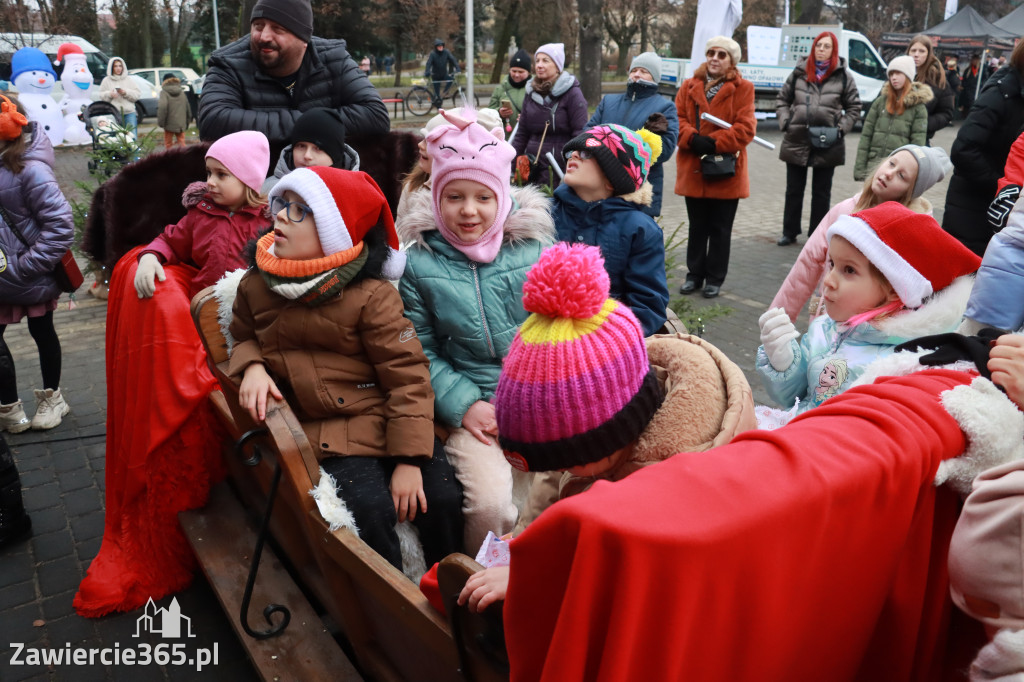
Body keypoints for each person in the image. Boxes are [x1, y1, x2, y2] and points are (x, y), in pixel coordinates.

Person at [454, 242, 756, 612]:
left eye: (567, 460)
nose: (560, 469)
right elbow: (553, 485)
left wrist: (534, 574)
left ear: (607, 437)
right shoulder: (599, 448)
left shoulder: (672, 488)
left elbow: (629, 579)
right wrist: (526, 545)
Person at [229, 167, 462, 571]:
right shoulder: (256, 284)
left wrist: (409, 460)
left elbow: (407, 376)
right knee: (369, 510)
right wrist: (251, 365)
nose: (280, 214)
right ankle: (389, 597)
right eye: (282, 203)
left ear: (333, 232)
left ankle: (451, 587)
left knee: (441, 497)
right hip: (329, 431)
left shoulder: (370, 296)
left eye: (299, 210)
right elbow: (242, 333)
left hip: (388, 416)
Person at [397, 109, 555, 552]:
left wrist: (541, 392)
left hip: (538, 396)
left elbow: (563, 329)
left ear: (501, 196)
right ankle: (478, 577)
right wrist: (465, 404)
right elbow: (418, 349)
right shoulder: (419, 263)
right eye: (455, 197)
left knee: (563, 493)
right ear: (436, 198)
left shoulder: (534, 250)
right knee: (490, 506)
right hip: (474, 405)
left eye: (483, 197)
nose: (469, 210)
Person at [756, 202, 981, 424]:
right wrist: (784, 362)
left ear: (893, 289)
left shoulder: (905, 362)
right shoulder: (823, 328)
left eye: (849, 270)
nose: (828, 280)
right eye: (832, 264)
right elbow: (794, 399)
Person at [198, 0, 389, 174]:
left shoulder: (334, 59)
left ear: (303, 39)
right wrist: (311, 125)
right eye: (258, 26)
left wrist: (305, 126)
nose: (264, 36)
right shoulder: (227, 64)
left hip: (328, 181)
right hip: (255, 189)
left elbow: (375, 114)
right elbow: (213, 121)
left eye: (277, 28)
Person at [771, 144, 951, 323]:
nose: (889, 173)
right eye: (891, 163)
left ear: (911, 192)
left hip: (867, 330)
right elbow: (807, 263)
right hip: (824, 320)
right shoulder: (845, 210)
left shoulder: (910, 234)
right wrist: (777, 317)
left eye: (901, 176)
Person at [552, 122, 670, 335]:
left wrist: (607, 339)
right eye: (572, 151)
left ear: (613, 177)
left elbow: (648, 305)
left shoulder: (640, 230)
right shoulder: (544, 214)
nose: (574, 155)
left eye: (587, 152)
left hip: (607, 341)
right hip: (545, 336)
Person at [0, 94, 73, 432]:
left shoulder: (31, 170)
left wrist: (24, 268)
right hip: (2, 272)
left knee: (42, 331)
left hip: (29, 272)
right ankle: (9, 408)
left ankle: (52, 398)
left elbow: (60, 228)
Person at [133, 130, 272, 300]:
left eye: (221, 174)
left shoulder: (267, 223)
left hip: (248, 308)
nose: (210, 182)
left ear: (248, 179)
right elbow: (171, 242)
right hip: (201, 306)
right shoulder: (200, 214)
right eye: (209, 173)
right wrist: (150, 257)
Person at [674, 36, 756, 299]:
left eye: (722, 54)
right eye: (711, 53)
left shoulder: (744, 88)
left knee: (720, 229)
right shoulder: (688, 86)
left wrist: (715, 143)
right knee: (697, 227)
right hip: (694, 169)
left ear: (731, 60)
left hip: (726, 171)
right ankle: (694, 275)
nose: (715, 58)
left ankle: (715, 278)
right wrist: (691, 138)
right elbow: (676, 119)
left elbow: (746, 128)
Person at [775, 31, 862, 246]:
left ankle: (816, 234)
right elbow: (782, 100)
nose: (821, 49)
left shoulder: (843, 76)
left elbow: (854, 108)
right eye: (818, 45)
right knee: (794, 190)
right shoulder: (799, 72)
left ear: (834, 51)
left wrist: (840, 130)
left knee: (821, 193)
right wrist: (786, 121)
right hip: (797, 138)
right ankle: (789, 231)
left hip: (828, 141)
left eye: (826, 46)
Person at [942, 40, 1024, 257]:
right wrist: (1004, 187)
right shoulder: (1002, 91)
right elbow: (963, 150)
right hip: (973, 210)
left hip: (998, 214)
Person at [584, 52, 680, 217]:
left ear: (655, 77)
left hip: (640, 189)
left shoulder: (665, 107)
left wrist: (620, 148)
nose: (637, 74)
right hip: (603, 183)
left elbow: (665, 149)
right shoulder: (608, 101)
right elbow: (588, 132)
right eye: (634, 70)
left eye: (644, 71)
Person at [397, 107, 503, 218]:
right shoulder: (414, 186)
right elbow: (399, 227)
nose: (420, 145)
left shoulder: (487, 193)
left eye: (431, 141)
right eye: (423, 138)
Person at [509, 43, 589, 189]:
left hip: (559, 168)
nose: (539, 65)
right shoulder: (530, 92)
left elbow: (580, 133)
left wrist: (572, 164)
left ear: (557, 66)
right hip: (531, 167)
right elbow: (522, 133)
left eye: (545, 61)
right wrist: (512, 164)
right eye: (537, 60)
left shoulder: (572, 93)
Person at [853, 56, 931, 182]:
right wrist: (860, 169)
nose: (894, 77)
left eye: (898, 73)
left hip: (896, 172)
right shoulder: (880, 102)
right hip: (874, 166)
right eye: (891, 74)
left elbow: (917, 145)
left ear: (908, 76)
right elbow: (866, 137)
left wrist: (909, 175)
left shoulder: (918, 107)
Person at [261, 107, 360, 194]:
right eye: (301, 146)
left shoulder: (356, 193)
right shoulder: (266, 192)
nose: (307, 155)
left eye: (318, 148)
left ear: (336, 155)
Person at [907, 35, 955, 144]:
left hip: (919, 140)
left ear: (928, 54)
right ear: (908, 52)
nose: (916, 54)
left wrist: (923, 124)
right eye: (913, 50)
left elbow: (946, 113)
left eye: (921, 51)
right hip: (892, 137)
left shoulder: (936, 79)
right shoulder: (897, 73)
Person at [488, 49, 531, 131]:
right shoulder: (499, 89)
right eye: (514, 71)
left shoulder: (537, 89)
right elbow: (489, 113)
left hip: (528, 136)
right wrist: (499, 113)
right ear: (509, 70)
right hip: (504, 136)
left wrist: (529, 118)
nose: (517, 75)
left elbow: (544, 115)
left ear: (528, 72)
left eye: (521, 72)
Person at [157, 74, 192, 149]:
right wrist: (188, 121)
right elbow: (187, 107)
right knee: (182, 143)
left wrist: (161, 122)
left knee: (168, 144)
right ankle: (184, 155)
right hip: (181, 124)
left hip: (168, 124)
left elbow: (162, 107)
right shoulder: (181, 92)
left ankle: (169, 156)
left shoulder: (164, 92)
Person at [424, 39, 459, 108]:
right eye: (439, 46)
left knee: (451, 79)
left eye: (441, 46)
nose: (440, 47)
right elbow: (429, 63)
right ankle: (438, 107)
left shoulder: (446, 52)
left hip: (444, 74)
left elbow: (453, 60)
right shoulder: (433, 54)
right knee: (437, 95)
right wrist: (427, 71)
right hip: (435, 75)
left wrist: (457, 68)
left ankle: (445, 92)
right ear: (436, 47)